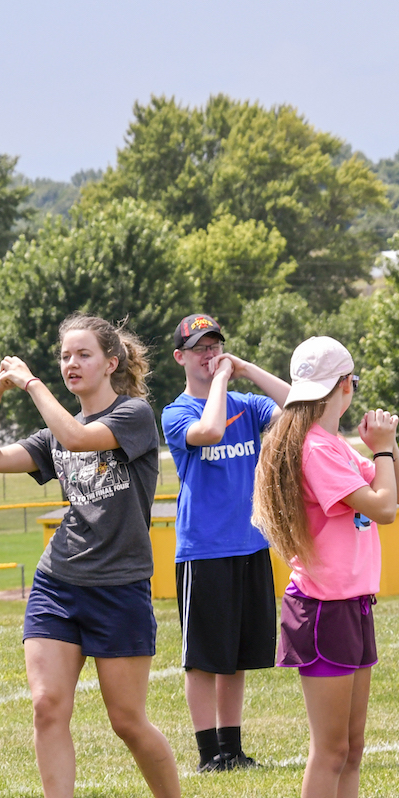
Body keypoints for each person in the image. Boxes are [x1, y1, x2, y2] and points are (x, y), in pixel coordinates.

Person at [0, 313, 195, 798]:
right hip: (58, 581)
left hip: (119, 587)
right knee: (47, 704)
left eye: (82, 355)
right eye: (64, 356)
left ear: (111, 363)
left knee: (126, 720)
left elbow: (77, 435)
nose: (71, 364)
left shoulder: (135, 414)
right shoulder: (56, 429)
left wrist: (31, 383)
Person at [252, 337, 399, 798]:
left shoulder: (335, 445)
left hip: (351, 604)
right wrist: (384, 450)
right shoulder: (316, 450)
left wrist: (386, 448)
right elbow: (385, 509)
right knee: (330, 749)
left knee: (352, 745)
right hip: (322, 609)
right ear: (343, 385)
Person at [162, 314, 289, 771]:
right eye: (198, 347)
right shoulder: (177, 412)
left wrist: (248, 370)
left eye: (214, 345)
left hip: (249, 544)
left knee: (235, 657)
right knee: (203, 659)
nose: (208, 354)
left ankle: (232, 750)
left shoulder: (247, 403)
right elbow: (211, 431)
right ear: (180, 357)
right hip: (205, 550)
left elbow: (301, 410)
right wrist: (219, 383)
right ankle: (206, 753)